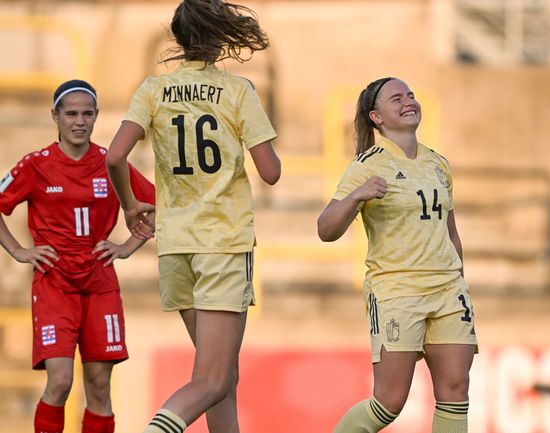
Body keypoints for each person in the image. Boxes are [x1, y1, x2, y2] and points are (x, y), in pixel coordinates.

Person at [105, 1, 280, 432]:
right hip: (221, 243)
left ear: (178, 39)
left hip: (175, 244)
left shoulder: (152, 90)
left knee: (223, 378)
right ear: (220, 37)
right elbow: (271, 173)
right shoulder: (238, 91)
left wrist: (129, 206)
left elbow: (114, 157)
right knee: (212, 378)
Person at [317, 77, 478, 433]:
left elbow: (450, 231)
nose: (408, 101)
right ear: (376, 116)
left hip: (448, 291)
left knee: (455, 391)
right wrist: (357, 196)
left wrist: (460, 282)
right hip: (397, 291)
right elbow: (326, 229)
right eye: (396, 98)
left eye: (411, 95)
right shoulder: (367, 165)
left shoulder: (439, 164)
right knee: (389, 402)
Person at [0, 79, 155, 433]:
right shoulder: (35, 165)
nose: (79, 121)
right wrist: (19, 251)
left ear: (97, 116)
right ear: (55, 116)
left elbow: (156, 204)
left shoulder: (110, 162)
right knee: (60, 381)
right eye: (71, 113)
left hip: (100, 282)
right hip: (54, 283)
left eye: (87, 113)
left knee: (99, 385)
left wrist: (127, 247)